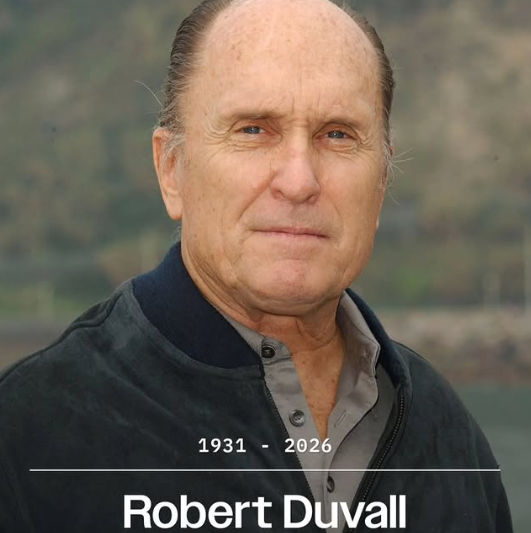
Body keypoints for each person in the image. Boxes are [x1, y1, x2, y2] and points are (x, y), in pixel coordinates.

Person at [0, 0, 512, 531]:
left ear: (381, 185)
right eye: (253, 130)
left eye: (338, 134)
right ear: (172, 170)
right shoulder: (34, 436)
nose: (299, 181)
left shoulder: (447, 438)